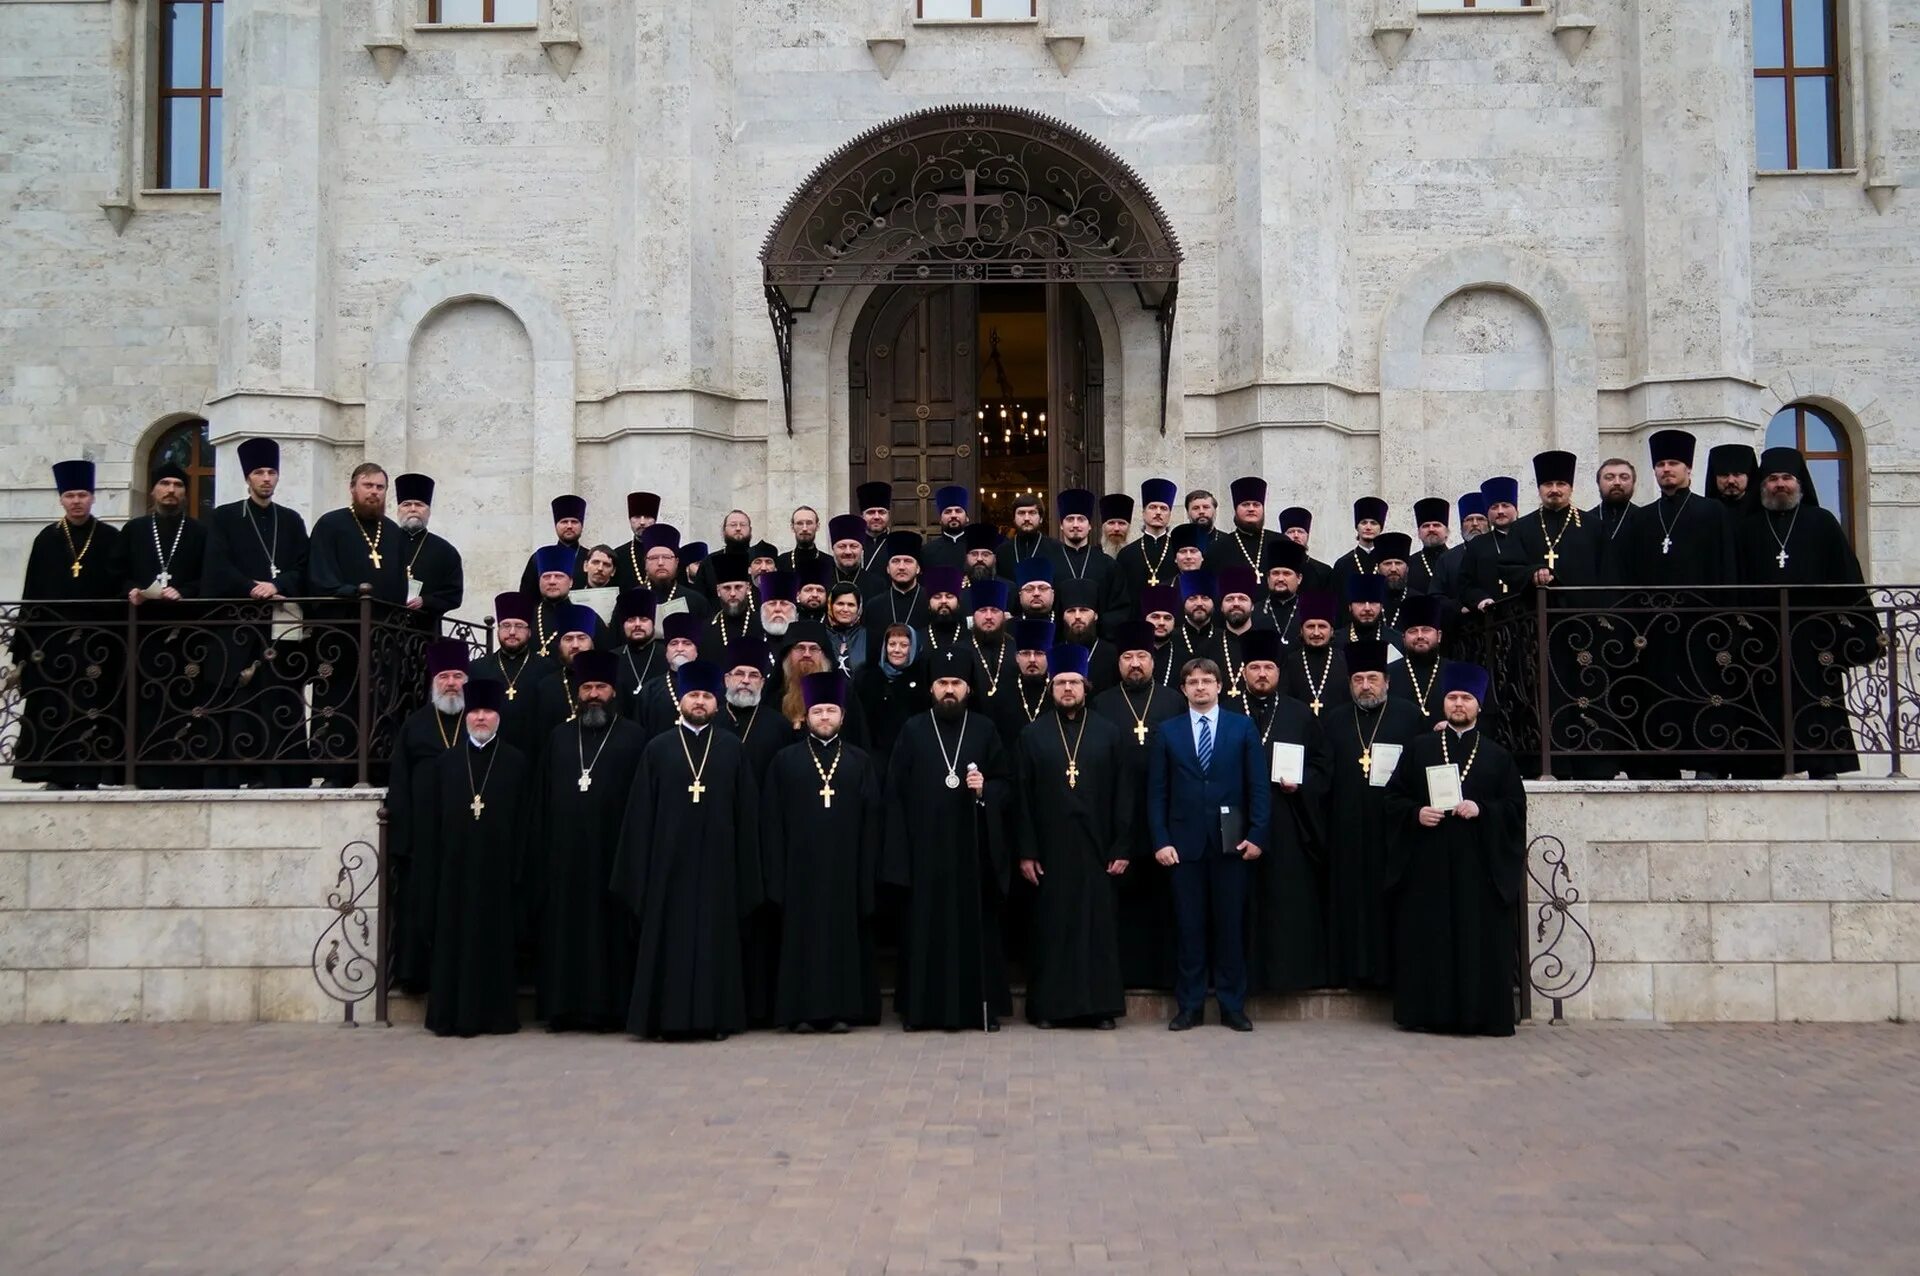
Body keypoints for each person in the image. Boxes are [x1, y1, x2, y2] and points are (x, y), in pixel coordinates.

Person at [612, 659, 764, 1041]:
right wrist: (640, 873)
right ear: (681, 699)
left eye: (706, 697)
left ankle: (716, 1020)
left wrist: (748, 869)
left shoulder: (732, 748)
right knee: (669, 942)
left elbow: (747, 815)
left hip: (719, 866)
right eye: (693, 695)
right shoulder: (657, 749)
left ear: (717, 703)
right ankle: (665, 1021)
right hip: (667, 868)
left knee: (716, 941)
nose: (699, 703)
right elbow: (639, 817)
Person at [1383, 663, 1528, 1037]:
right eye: (1452, 698)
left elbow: (1515, 809)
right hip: (1427, 863)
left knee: (1475, 939)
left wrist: (1483, 810)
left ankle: (1480, 1017)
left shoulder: (1497, 755)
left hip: (1478, 867)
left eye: (1466, 699)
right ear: (1442, 703)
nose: (1459, 704)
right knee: (1430, 937)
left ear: (1478, 706)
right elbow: (1393, 798)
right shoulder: (1420, 748)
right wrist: (1417, 812)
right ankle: (1427, 1014)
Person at [882, 673, 1015, 1031]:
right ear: (931, 688)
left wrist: (985, 787)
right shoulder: (913, 729)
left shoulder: (985, 729)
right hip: (924, 851)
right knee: (924, 928)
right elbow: (894, 792)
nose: (949, 690)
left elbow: (1005, 783)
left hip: (971, 850)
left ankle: (977, 1010)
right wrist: (899, 855)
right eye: (942, 683)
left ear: (968, 689)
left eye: (956, 683)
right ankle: (921, 1011)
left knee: (975, 929)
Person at [1734, 446, 1874, 778]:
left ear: (1799, 483)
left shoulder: (1822, 522)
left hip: (1814, 636)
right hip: (1762, 635)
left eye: (1786, 478)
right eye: (1772, 479)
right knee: (1764, 703)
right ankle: (1766, 766)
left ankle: (1823, 766)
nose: (1779, 485)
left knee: (1817, 702)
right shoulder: (1747, 527)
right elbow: (1735, 581)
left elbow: (1847, 577)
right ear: (1762, 485)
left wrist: (1857, 632)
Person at [1147, 657, 1269, 1032]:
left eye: (1207, 681)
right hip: (1183, 847)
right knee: (1189, 928)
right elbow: (1156, 793)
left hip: (1231, 843)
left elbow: (1258, 787)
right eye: (1193, 682)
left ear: (1220, 686)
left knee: (1230, 927)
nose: (1200, 687)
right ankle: (1190, 1006)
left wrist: (1258, 834)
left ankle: (1232, 1006)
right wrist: (1161, 840)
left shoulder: (1242, 727)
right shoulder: (1167, 732)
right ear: (1183, 689)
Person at [761, 671, 884, 1032]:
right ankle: (800, 1013)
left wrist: (868, 872)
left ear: (843, 716)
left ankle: (843, 1011)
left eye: (831, 710)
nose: (825, 717)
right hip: (799, 871)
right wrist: (776, 874)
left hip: (847, 870)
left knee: (844, 940)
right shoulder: (784, 761)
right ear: (806, 716)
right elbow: (771, 822)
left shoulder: (861, 762)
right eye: (818, 711)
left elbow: (873, 821)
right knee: (800, 941)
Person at [535, 649, 649, 1032]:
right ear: (577, 692)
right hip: (565, 857)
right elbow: (544, 797)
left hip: (613, 854)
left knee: (610, 935)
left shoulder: (634, 738)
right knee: (566, 931)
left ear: (614, 691)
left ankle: (611, 1011)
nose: (594, 694)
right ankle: (563, 1010)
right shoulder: (558, 737)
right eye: (587, 687)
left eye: (601, 686)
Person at [1015, 644, 1129, 1029]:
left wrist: (1122, 845)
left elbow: (1123, 795)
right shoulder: (1032, 735)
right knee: (1051, 930)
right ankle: (1048, 1008)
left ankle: (1100, 1010)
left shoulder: (1110, 733)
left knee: (1097, 930)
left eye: (1074, 683)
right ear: (1051, 688)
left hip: (1098, 849)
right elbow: (1022, 797)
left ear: (1086, 687)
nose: (1067, 689)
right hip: (1051, 850)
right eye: (1061, 682)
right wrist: (1027, 851)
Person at [411, 678, 530, 1038]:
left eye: (487, 712)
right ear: (466, 717)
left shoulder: (517, 762)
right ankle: (449, 1016)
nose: (481, 718)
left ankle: (495, 1017)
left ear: (498, 717)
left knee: (493, 944)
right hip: (453, 871)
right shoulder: (445, 763)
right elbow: (432, 823)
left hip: (498, 873)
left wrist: (519, 871)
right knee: (453, 941)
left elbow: (525, 822)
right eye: (475, 711)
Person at [1623, 429, 1738, 777]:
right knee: (1659, 693)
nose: (1666, 470)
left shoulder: (1711, 511)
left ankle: (1709, 763)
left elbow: (1724, 566)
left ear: (1688, 469)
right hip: (1655, 627)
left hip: (1701, 623)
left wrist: (1724, 615)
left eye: (1673, 464)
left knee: (1704, 692)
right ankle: (1662, 762)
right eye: (1660, 464)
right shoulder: (1643, 517)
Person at [203, 437, 310, 787]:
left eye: (271, 472)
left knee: (279, 695)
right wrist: (252, 587)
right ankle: (234, 773)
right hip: (238, 622)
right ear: (247, 478)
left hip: (279, 624)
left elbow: (302, 566)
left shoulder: (291, 520)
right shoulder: (225, 517)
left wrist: (277, 587)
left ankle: (279, 774)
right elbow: (217, 565)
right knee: (239, 696)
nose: (266, 479)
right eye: (259, 473)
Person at [1321, 640, 1427, 991]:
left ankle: (1390, 974)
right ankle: (1350, 973)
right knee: (1350, 902)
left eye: (1372, 678)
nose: (1365, 685)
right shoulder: (1334, 719)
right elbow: (1323, 772)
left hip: (1394, 829)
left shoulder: (1411, 717)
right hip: (1346, 827)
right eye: (1358, 679)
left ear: (1387, 681)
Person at [12, 459, 122, 788]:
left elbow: (117, 589)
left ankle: (91, 773)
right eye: (71, 495)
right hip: (53, 642)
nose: (77, 501)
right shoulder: (47, 539)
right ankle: (55, 774)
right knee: (53, 707)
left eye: (83, 495)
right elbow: (31, 594)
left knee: (92, 706)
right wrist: (23, 649)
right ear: (61, 499)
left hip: (96, 641)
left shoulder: (109, 537)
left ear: (93, 498)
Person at [1090, 621, 1186, 991]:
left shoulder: (1173, 702)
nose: (1135, 663)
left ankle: (1164, 978)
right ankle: (1123, 978)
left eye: (1141, 656)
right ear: (1118, 663)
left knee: (1165, 904)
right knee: (1122, 904)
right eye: (1128, 657)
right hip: (1118, 817)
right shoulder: (1102, 703)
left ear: (1153, 661)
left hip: (1167, 817)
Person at [108, 462, 215, 788]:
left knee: (185, 703)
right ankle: (142, 772)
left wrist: (186, 592)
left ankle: (184, 772)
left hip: (185, 634)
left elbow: (208, 577)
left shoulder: (199, 531)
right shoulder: (135, 530)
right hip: (143, 633)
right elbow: (116, 573)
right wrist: (132, 590)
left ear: (185, 492)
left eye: (178, 485)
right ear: (153, 490)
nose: (171, 490)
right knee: (144, 702)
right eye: (165, 484)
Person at [1239, 629, 1333, 994]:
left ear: (1279, 672)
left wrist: (1303, 782)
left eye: (1268, 667)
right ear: (1243, 672)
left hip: (1288, 822)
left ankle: (1288, 978)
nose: (1262, 674)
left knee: (1286, 901)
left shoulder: (1300, 715)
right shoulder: (1229, 713)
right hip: (1239, 821)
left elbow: (1324, 766)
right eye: (1255, 667)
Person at [306, 464, 409, 783]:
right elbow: (319, 575)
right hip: (340, 633)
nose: (374, 492)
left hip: (381, 636)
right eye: (367, 485)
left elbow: (399, 585)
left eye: (379, 487)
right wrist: (353, 594)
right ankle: (334, 770)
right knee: (338, 699)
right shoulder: (331, 524)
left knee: (379, 699)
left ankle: (378, 765)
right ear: (352, 488)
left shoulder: (393, 533)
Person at [386, 637, 471, 993]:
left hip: (468, 834)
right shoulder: (416, 725)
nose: (451, 683)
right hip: (424, 837)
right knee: (420, 904)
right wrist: (402, 840)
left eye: (457, 676)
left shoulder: (481, 721)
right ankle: (415, 975)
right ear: (433, 682)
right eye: (444, 677)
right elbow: (399, 783)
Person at [469, 592, 553, 754]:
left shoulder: (547, 669)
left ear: (529, 632)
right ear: (499, 629)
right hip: (490, 755)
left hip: (533, 755)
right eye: (506, 625)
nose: (512, 632)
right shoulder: (478, 669)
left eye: (519, 626)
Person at [855, 623, 930, 773]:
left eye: (904, 645)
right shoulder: (868, 677)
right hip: (874, 757)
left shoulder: (923, 677)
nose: (897, 650)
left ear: (913, 647)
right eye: (892, 644)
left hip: (912, 755)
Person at [393, 472, 464, 626]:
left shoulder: (445, 551)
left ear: (428, 511)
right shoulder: (384, 542)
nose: (413, 509)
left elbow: (454, 595)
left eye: (419, 504)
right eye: (406, 504)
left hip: (425, 630)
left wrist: (425, 601)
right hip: (385, 629)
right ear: (398, 510)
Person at [1386, 594, 1453, 728]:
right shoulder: (1388, 674)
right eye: (1413, 631)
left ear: (1439, 636)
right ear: (1403, 638)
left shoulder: (1454, 672)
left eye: (1426, 630)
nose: (1420, 636)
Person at [1114, 477, 1178, 609]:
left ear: (1170, 515)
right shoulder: (1127, 554)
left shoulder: (1178, 550)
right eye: (1153, 507)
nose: (1158, 512)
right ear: (1143, 513)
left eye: (1163, 508)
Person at [1203, 477, 1285, 578]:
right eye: (1245, 505)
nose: (1251, 509)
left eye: (1256, 505)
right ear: (1236, 510)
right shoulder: (1218, 548)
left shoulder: (1282, 543)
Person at [1285, 590, 1349, 717]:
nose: (1316, 633)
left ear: (1331, 631)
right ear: (1301, 631)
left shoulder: (1345, 661)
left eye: (1322, 626)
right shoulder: (1290, 662)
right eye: (1310, 626)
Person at [518, 494, 590, 596]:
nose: (569, 526)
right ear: (556, 525)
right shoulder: (538, 558)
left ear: (581, 526)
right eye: (564, 522)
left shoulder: (591, 558)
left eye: (574, 522)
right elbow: (526, 597)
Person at [1328, 497, 1389, 595]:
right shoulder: (1342, 564)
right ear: (1357, 527)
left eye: (1373, 523)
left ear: (1380, 528)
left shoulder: (1388, 564)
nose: (1368, 527)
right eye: (1364, 522)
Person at [995, 494, 1060, 581]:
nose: (1026, 518)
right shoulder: (1002, 551)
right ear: (1014, 518)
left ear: (1041, 518)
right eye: (1021, 513)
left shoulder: (1056, 549)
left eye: (1032, 513)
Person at [611, 491, 663, 589]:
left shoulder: (668, 555)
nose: (642, 522)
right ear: (630, 520)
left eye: (647, 517)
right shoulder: (618, 555)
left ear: (655, 520)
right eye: (637, 517)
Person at [919, 485, 973, 571]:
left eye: (958, 511)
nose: (953, 515)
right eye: (948, 512)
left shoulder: (976, 551)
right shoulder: (927, 551)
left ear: (967, 518)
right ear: (940, 519)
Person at [777, 504, 825, 575]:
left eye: (809, 523)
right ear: (792, 527)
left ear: (817, 526)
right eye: (799, 523)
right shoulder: (780, 562)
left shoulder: (830, 562)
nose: (804, 528)